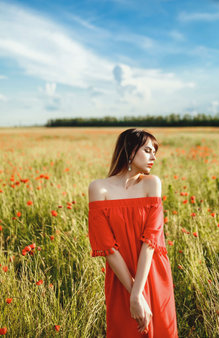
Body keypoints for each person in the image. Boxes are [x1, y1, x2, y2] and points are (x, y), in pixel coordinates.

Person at [88, 128, 178, 338]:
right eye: (148, 150)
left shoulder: (151, 183)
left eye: (155, 151)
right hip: (121, 278)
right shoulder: (99, 189)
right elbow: (107, 247)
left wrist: (138, 293)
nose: (153, 157)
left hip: (153, 273)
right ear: (130, 151)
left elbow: (150, 241)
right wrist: (133, 293)